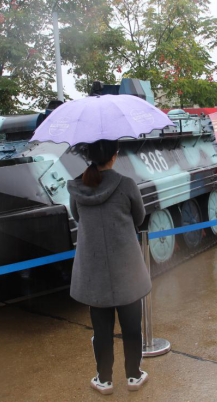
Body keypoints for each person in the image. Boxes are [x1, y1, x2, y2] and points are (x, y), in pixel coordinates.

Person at [67, 140, 152, 395]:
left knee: (101, 329)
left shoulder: (78, 187)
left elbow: (78, 217)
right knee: (131, 326)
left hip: (94, 271)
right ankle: (134, 375)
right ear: (114, 156)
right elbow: (139, 217)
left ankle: (104, 380)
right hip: (126, 269)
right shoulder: (126, 184)